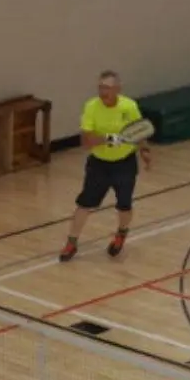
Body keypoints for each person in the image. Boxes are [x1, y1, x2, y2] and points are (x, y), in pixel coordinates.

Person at [59, 70, 151, 262]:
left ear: (117, 89)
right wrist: (108, 139)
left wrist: (144, 150)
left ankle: (121, 234)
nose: (103, 92)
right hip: (99, 165)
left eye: (107, 88)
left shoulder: (129, 106)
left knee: (124, 204)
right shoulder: (91, 107)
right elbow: (86, 140)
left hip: (125, 163)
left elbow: (139, 129)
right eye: (100, 87)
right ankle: (72, 242)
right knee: (84, 204)